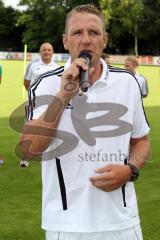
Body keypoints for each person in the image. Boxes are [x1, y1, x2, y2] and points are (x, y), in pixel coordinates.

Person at [20, 4, 150, 240]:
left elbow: (141, 140)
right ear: (66, 41)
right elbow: (28, 149)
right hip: (67, 226)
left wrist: (130, 170)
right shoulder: (46, 84)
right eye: (77, 33)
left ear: (105, 40)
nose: (86, 40)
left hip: (123, 222)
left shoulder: (128, 83)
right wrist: (63, 95)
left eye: (94, 32)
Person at [20, 42, 60, 167]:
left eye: (49, 50)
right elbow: (26, 83)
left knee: (49, 128)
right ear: (40, 52)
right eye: (44, 50)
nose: (47, 52)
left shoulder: (57, 67)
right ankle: (25, 157)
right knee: (30, 127)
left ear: (52, 52)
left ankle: (45, 152)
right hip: (35, 103)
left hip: (50, 104)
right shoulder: (33, 65)